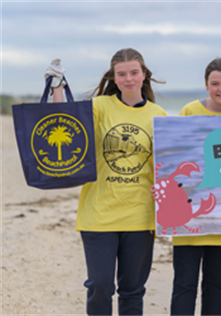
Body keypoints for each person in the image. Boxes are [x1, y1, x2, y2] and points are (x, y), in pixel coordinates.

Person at [48, 48, 168, 316]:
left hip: (141, 215)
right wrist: (58, 86)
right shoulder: (100, 106)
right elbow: (64, 122)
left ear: (144, 75)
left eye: (134, 72)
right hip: (99, 214)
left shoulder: (159, 114)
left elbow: (167, 167)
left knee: (132, 291)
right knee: (100, 286)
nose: (128, 79)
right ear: (114, 78)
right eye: (121, 74)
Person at [170, 58, 221, 316]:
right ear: (206, 85)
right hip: (188, 217)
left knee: (217, 285)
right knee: (184, 284)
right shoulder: (190, 110)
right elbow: (175, 159)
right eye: (215, 83)